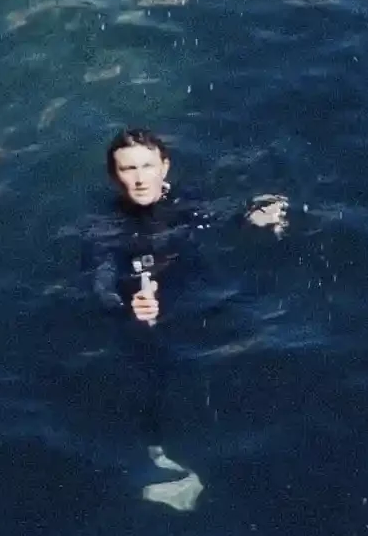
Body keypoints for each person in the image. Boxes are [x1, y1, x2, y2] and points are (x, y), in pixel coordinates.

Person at [83, 128, 288, 510]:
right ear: (114, 177)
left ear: (165, 167)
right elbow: (100, 279)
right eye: (128, 169)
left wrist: (253, 216)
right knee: (154, 367)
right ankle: (157, 455)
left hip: (192, 284)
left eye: (147, 166)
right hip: (143, 298)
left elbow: (217, 218)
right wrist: (125, 306)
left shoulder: (185, 200)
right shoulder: (105, 227)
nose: (140, 178)